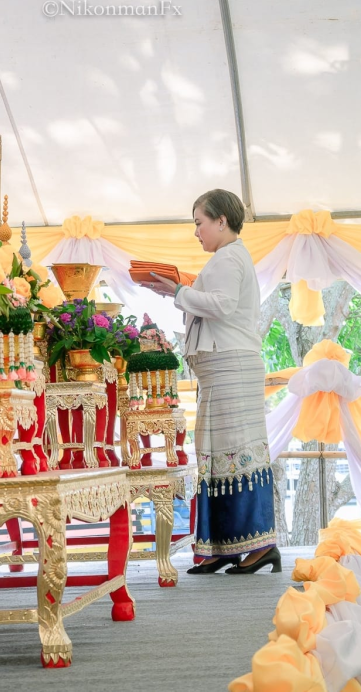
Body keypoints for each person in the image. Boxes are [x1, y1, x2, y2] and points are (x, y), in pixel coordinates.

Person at [146, 189, 279, 574]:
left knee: (236, 453)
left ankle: (256, 545)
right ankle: (225, 547)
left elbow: (221, 304)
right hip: (224, 369)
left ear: (222, 221)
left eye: (199, 223)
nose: (196, 232)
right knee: (219, 454)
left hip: (231, 368)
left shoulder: (229, 257)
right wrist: (185, 291)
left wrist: (179, 291)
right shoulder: (229, 257)